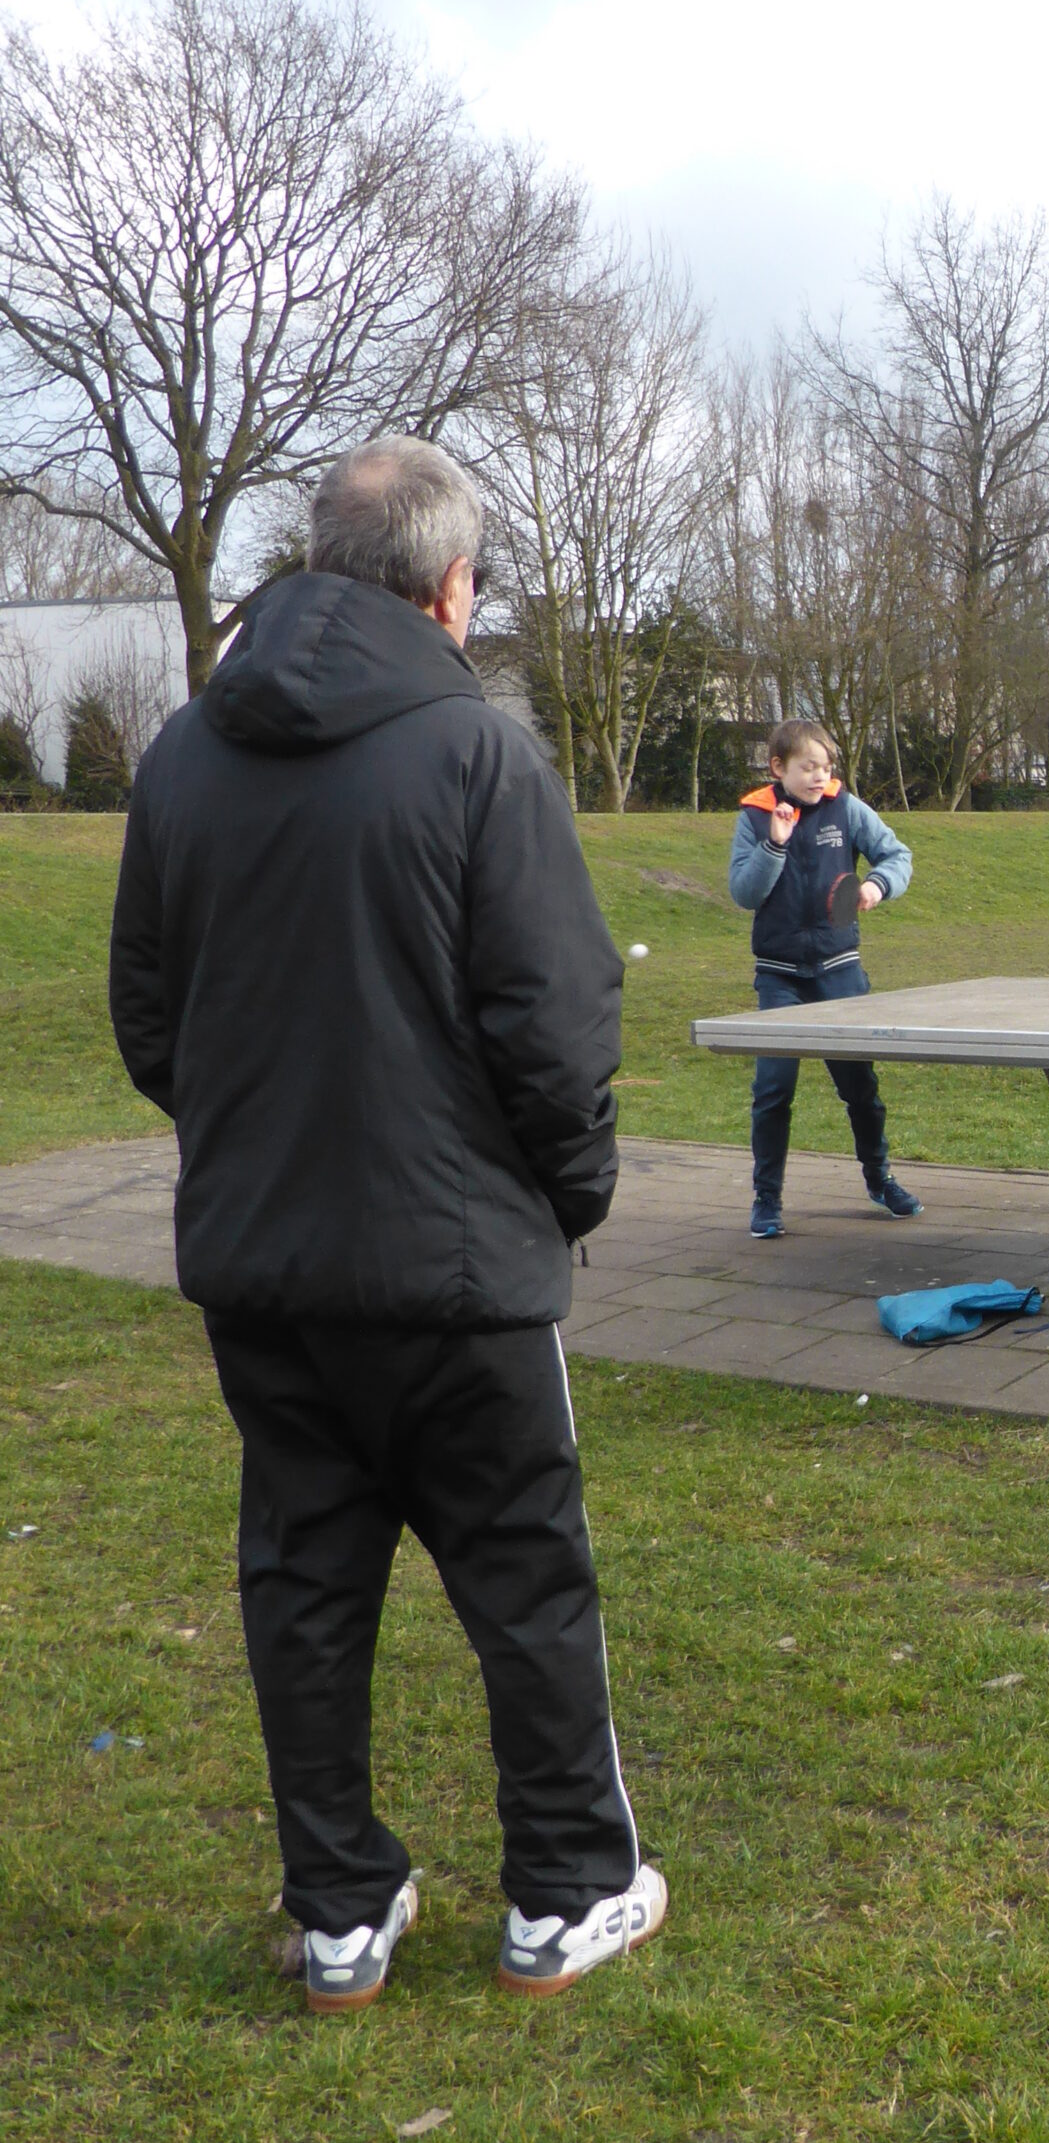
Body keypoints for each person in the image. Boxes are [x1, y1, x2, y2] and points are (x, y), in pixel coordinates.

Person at [107, 436, 664, 2013]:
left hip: (272, 1265)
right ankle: (567, 1888)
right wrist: (568, 1192)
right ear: (451, 585)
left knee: (303, 1583)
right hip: (452, 1271)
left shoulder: (185, 756)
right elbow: (557, 1025)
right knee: (527, 1583)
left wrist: (256, 1149)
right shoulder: (478, 754)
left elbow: (150, 1013)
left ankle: (342, 1907)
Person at [728, 720, 918, 1236]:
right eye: (808, 766)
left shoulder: (847, 808)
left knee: (860, 1088)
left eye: (827, 767)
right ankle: (767, 1199)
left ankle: (879, 1179)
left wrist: (878, 885)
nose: (820, 776)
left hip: (840, 972)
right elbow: (744, 893)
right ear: (778, 767)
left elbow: (898, 856)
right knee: (773, 1091)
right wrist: (775, 845)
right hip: (780, 978)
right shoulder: (755, 816)